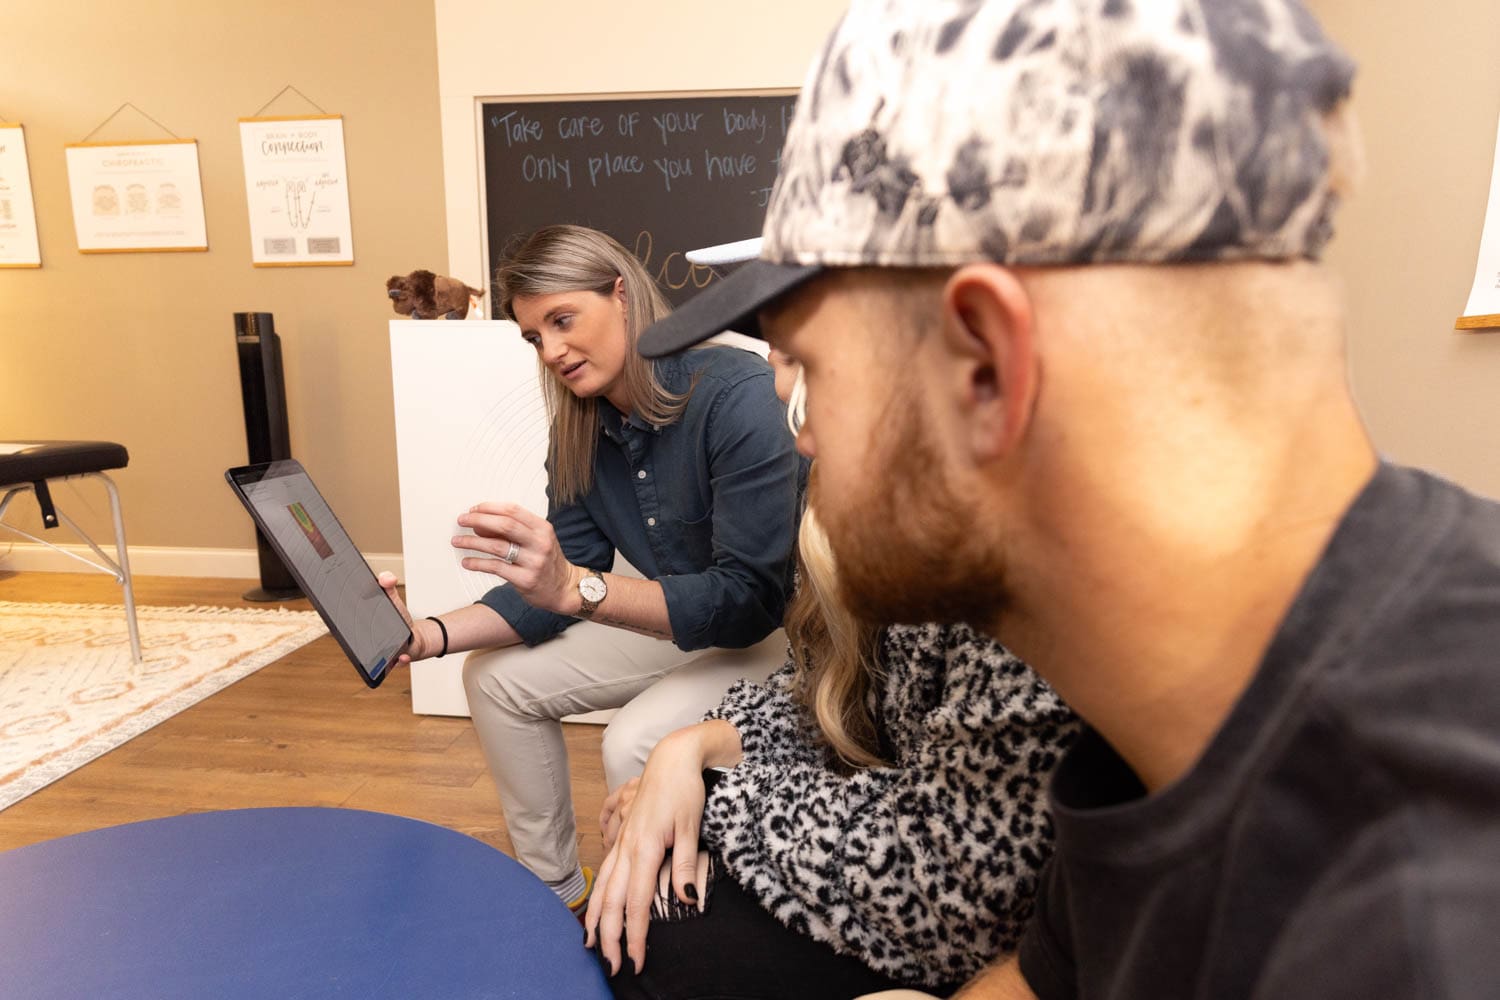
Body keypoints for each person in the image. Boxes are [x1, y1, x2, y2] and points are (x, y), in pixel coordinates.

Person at [634, 1, 1500, 998]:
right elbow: (1055, 969)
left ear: (986, 370)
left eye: (815, 365)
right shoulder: (1178, 697)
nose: (807, 428)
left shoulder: (1416, 924)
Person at [582, 358, 1080, 998]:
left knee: (655, 933)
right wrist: (697, 745)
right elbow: (823, 689)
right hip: (901, 853)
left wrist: (713, 797)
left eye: (799, 354)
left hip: (968, 920)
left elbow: (953, 877)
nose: (778, 383)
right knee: (644, 896)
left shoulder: (1011, 568)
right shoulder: (869, 512)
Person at [379, 224, 803, 913]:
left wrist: (577, 588)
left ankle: (653, 927)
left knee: (635, 737)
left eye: (562, 320)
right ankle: (556, 899)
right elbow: (553, 590)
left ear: (622, 295)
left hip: (784, 631)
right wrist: (424, 635)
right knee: (493, 680)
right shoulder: (581, 425)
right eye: (532, 337)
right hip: (693, 619)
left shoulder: (738, 396)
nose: (549, 351)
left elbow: (749, 602)